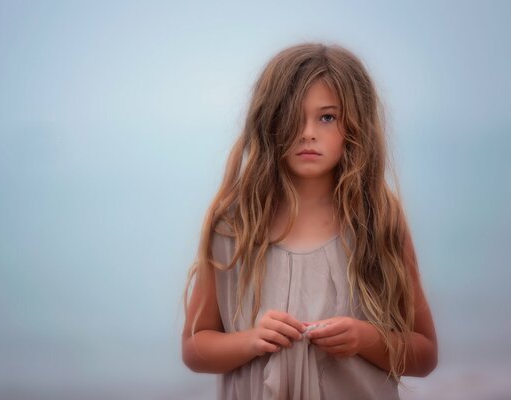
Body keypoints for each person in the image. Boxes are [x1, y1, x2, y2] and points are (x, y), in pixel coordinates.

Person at [181, 42, 438, 400]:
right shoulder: (233, 227)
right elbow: (195, 348)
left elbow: (424, 354)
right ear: (268, 120)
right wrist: (251, 341)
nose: (307, 132)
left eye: (327, 117)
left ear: (355, 125)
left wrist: (364, 339)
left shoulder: (378, 222)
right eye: (292, 115)